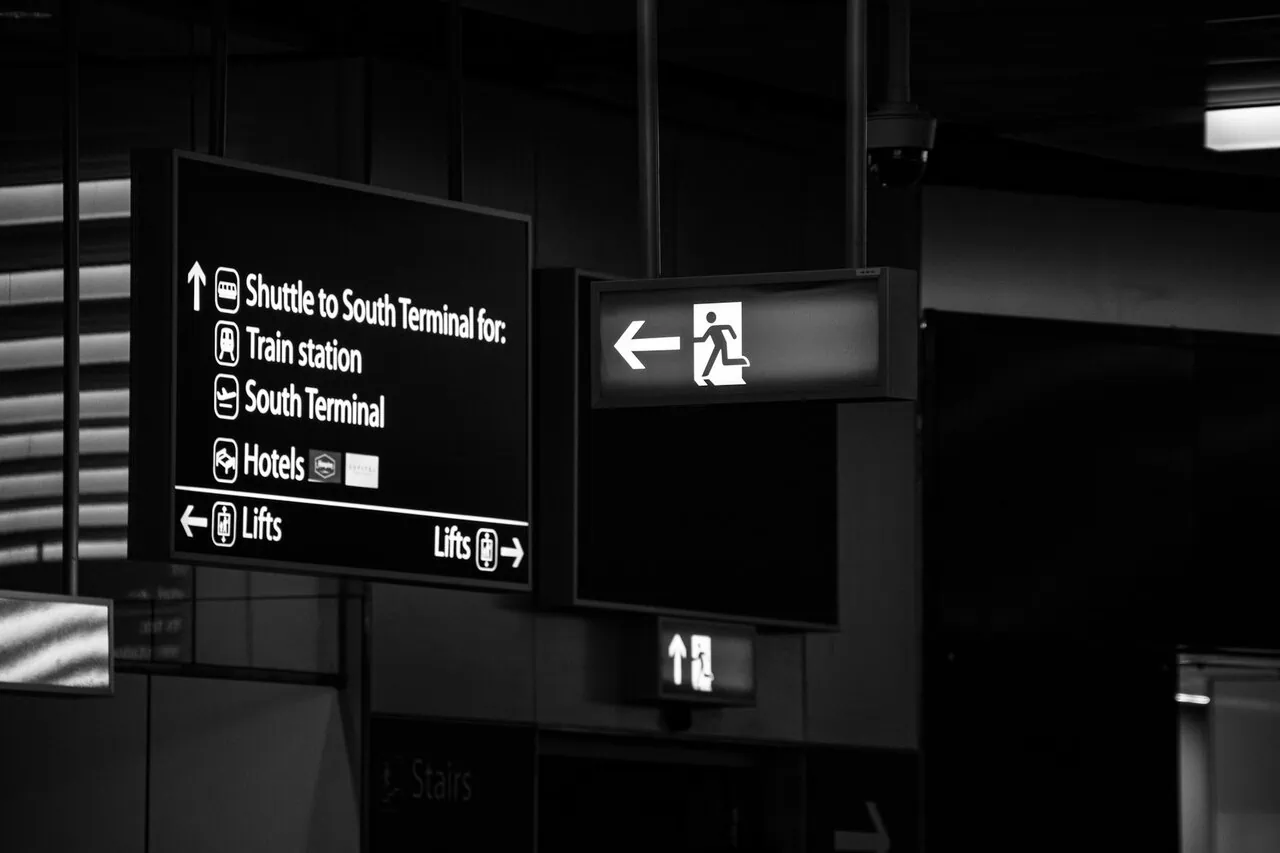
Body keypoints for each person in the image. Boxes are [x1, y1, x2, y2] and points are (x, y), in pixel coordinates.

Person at [694, 311, 749, 380]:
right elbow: (703, 339)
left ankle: (741, 361)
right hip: (717, 345)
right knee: (723, 361)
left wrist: (733, 335)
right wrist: (692, 340)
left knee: (724, 361)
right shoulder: (711, 329)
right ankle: (705, 373)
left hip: (722, 344)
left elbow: (728, 327)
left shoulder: (714, 328)